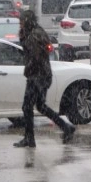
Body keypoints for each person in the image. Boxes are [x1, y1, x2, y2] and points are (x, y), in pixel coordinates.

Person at [14, 10, 76, 148]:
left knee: (27, 106)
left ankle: (30, 138)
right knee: (39, 106)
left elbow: (35, 57)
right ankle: (65, 127)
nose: (20, 24)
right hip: (41, 75)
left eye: (22, 21)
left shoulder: (34, 35)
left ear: (28, 21)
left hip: (38, 76)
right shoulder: (34, 32)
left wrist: (27, 70)